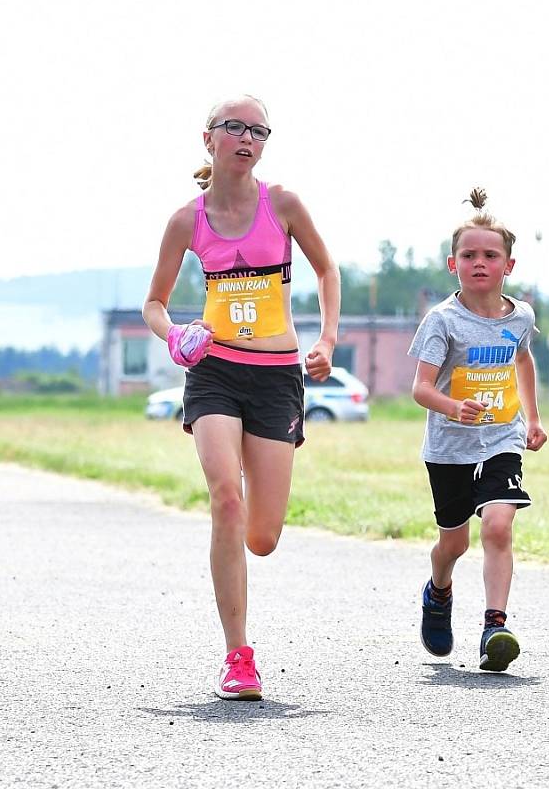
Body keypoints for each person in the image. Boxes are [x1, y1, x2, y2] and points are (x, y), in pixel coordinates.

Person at [142, 95, 340, 699]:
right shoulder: (186, 221)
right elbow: (153, 304)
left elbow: (328, 272)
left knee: (262, 536)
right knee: (225, 498)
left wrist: (327, 339)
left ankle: (256, 489)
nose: (248, 138)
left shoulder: (283, 204)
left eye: (259, 130)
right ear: (209, 139)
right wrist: (175, 334)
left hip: (278, 375)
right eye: (236, 128)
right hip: (215, 372)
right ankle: (238, 656)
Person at [408, 188, 547, 672]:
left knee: (499, 524)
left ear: (509, 265)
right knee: (454, 543)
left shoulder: (521, 316)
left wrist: (532, 418)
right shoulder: (442, 321)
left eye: (491, 255)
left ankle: (495, 627)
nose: (480, 263)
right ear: (454, 264)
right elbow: (420, 390)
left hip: (501, 438)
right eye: (469, 255)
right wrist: (452, 406)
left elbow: (522, 359)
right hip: (449, 447)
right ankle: (438, 589)